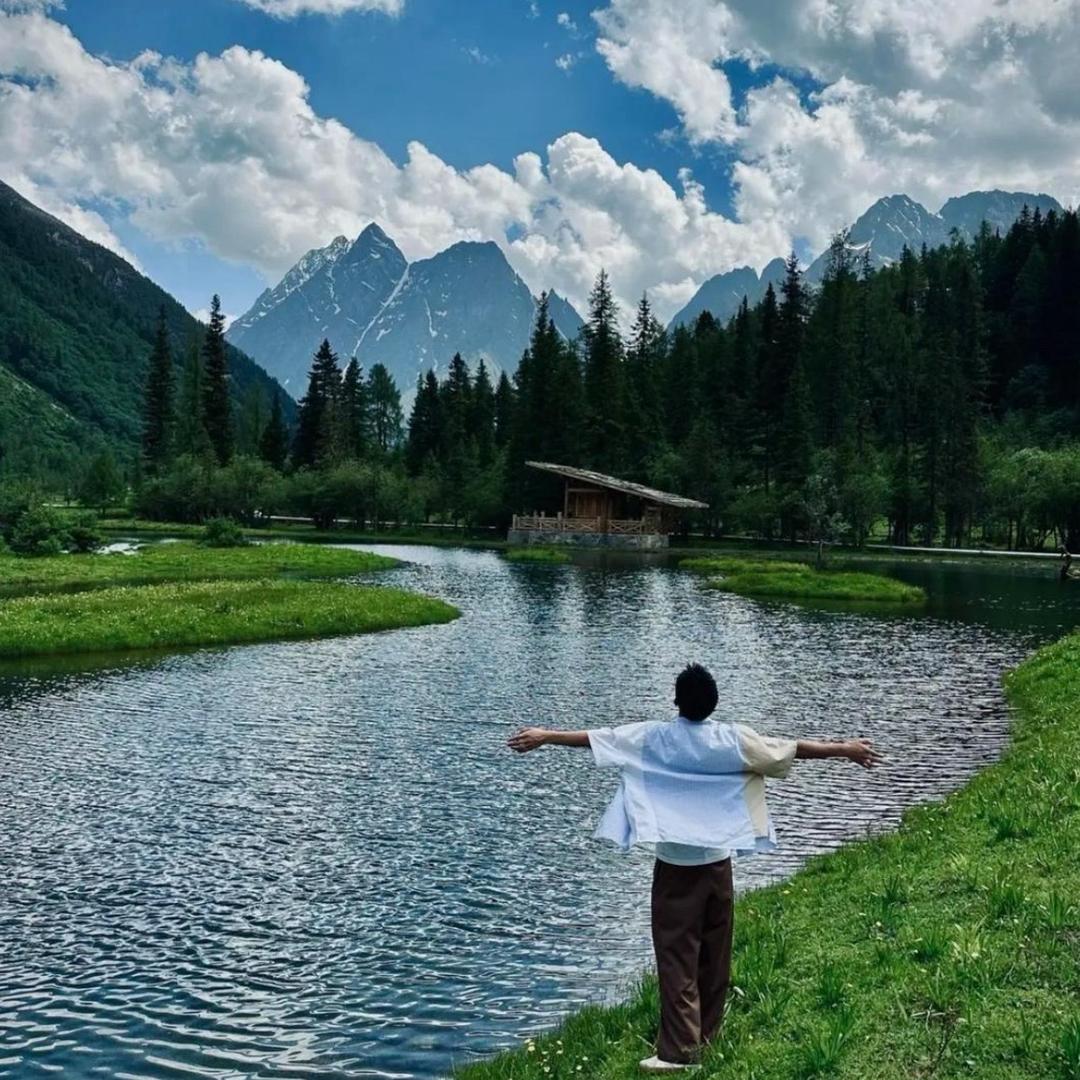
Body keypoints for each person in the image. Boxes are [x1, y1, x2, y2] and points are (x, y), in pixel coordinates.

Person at [508, 662, 881, 1075]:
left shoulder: (656, 736)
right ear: (714, 702)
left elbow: (598, 739)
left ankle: (678, 1053)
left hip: (676, 869)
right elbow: (791, 748)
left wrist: (546, 737)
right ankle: (706, 1036)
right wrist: (845, 749)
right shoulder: (732, 739)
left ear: (677, 701)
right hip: (719, 866)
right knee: (714, 954)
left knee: (676, 956)